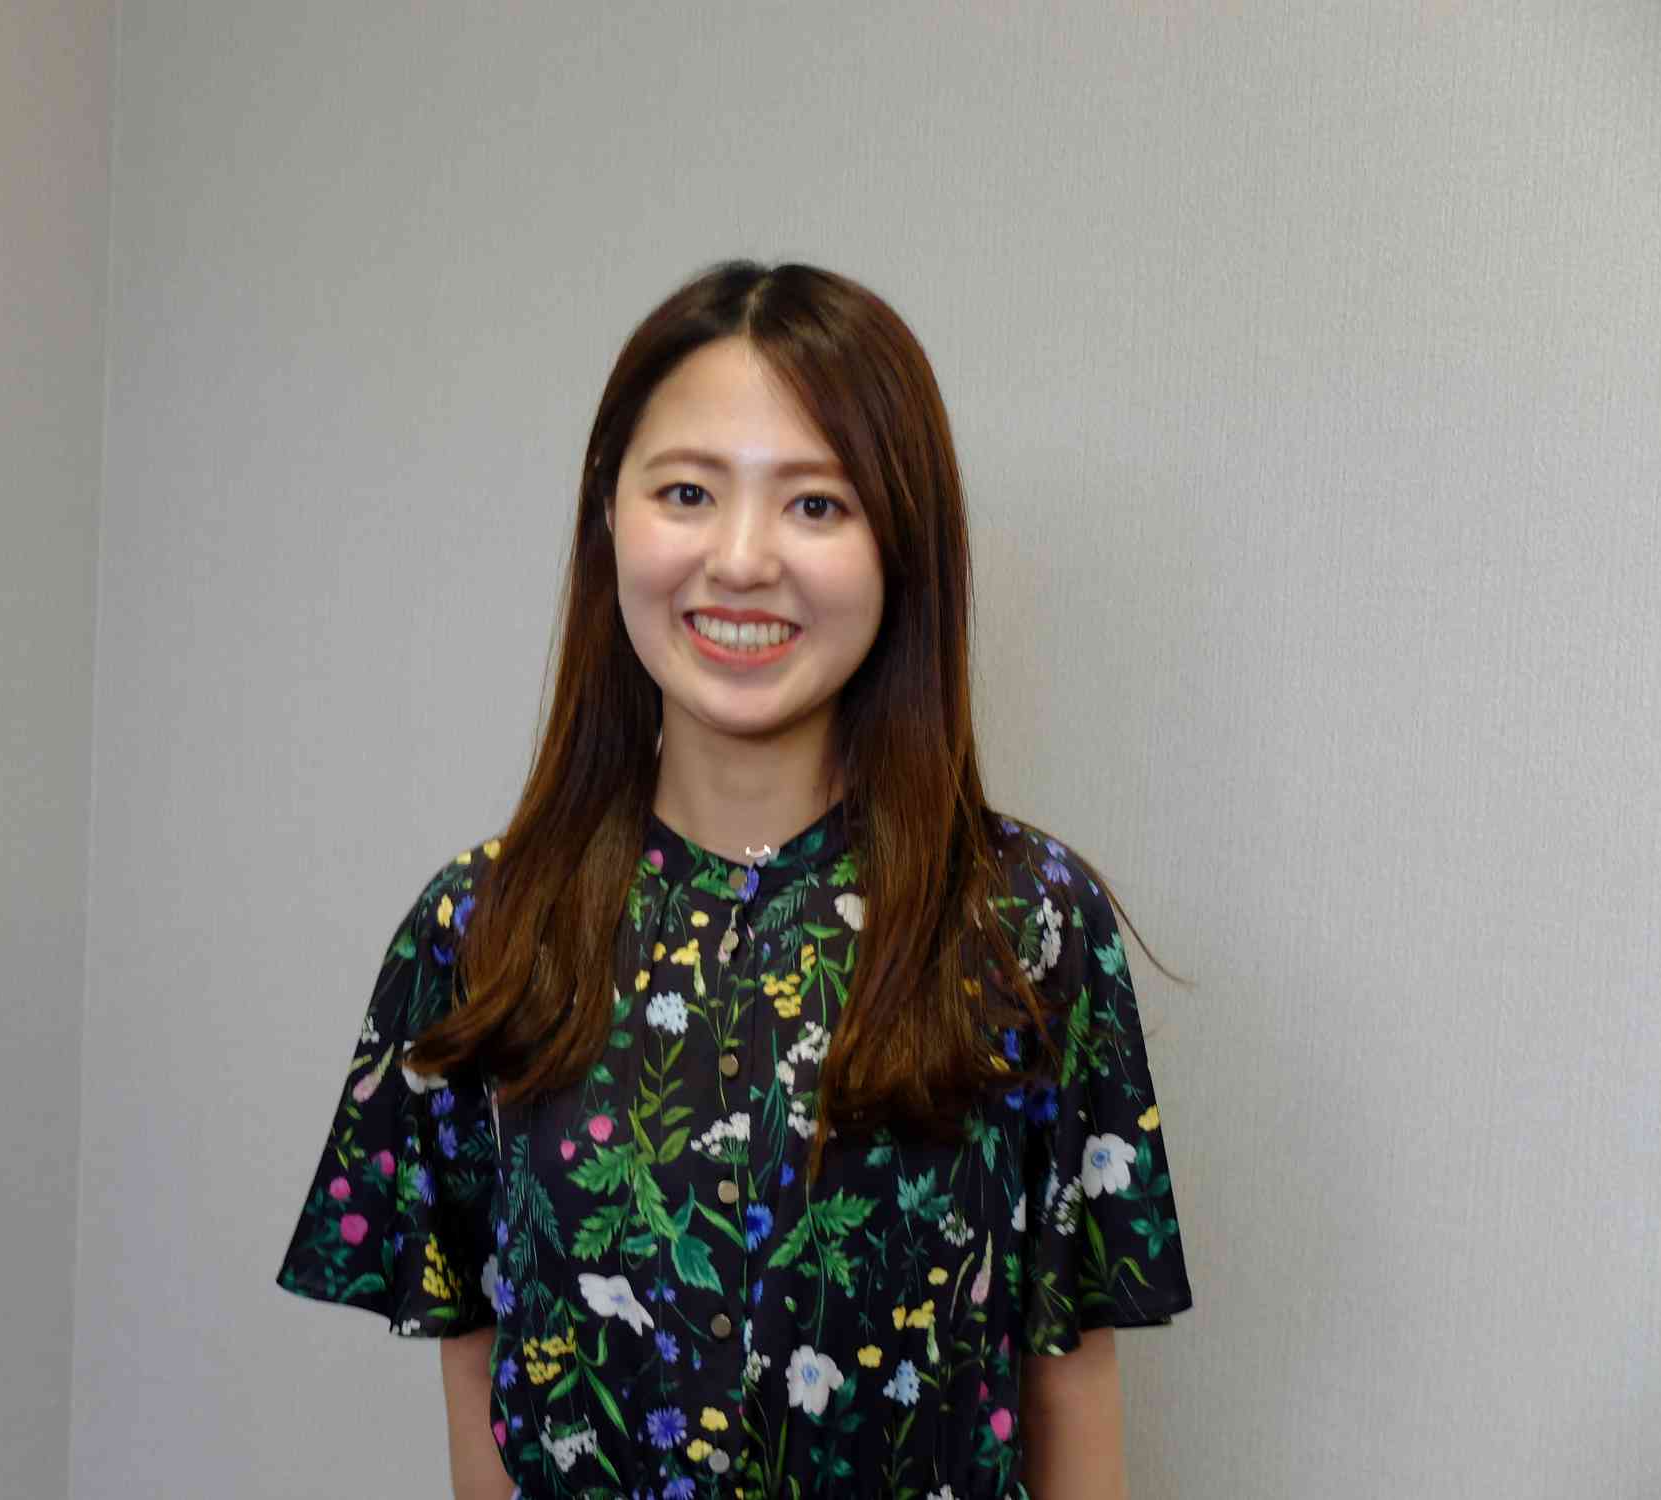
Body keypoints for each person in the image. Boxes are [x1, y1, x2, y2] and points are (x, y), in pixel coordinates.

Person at [277, 260, 1194, 1499]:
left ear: (901, 544)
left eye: (816, 504)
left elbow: (1067, 1382)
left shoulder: (1024, 921)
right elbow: (477, 1375)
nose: (742, 559)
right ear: (609, 515)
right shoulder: (480, 932)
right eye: (687, 492)